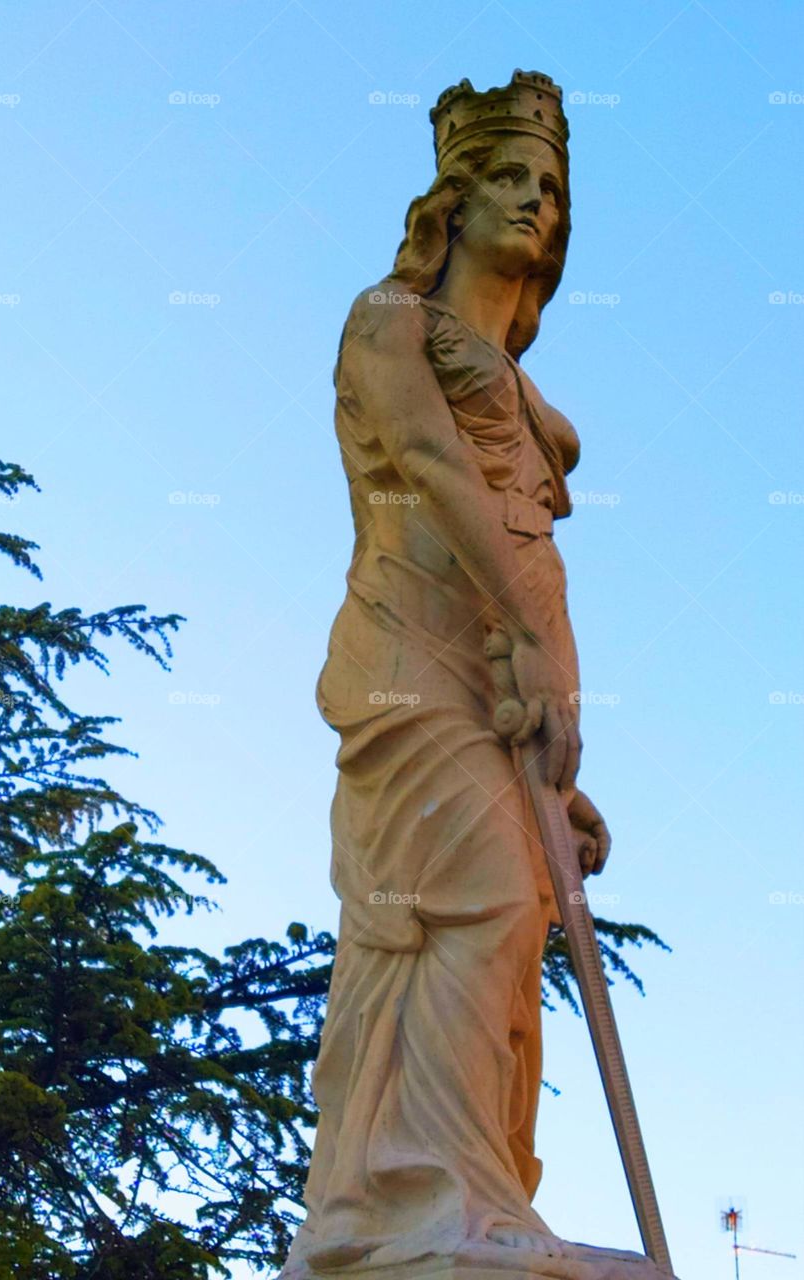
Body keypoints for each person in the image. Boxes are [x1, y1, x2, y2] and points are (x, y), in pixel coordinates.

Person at [283, 73, 665, 1280]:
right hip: (406, 668)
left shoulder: (530, 392)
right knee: (477, 904)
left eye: (552, 186)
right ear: (451, 197)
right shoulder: (388, 322)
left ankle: (478, 1191)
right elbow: (434, 466)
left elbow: (522, 558)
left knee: (509, 942)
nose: (538, 201)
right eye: (511, 177)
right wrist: (540, 653)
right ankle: (415, 1196)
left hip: (502, 699)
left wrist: (561, 765)